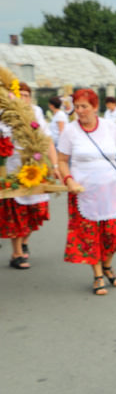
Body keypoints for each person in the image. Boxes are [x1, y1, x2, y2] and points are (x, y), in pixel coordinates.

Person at [57, 88, 116, 294]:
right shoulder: (70, 131)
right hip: (84, 192)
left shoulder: (110, 127)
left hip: (112, 190)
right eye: (76, 107)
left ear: (95, 107)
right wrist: (68, 180)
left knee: (113, 233)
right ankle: (98, 274)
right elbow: (61, 161)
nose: (79, 111)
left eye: (84, 106)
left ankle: (107, 264)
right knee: (90, 235)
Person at [2, 82, 60, 269]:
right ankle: (17, 253)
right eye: (21, 94)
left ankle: (24, 240)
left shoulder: (36, 111)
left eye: (27, 95)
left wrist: (55, 164)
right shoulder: (4, 114)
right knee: (17, 214)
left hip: (36, 166)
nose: (24, 98)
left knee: (38, 212)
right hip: (13, 168)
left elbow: (47, 140)